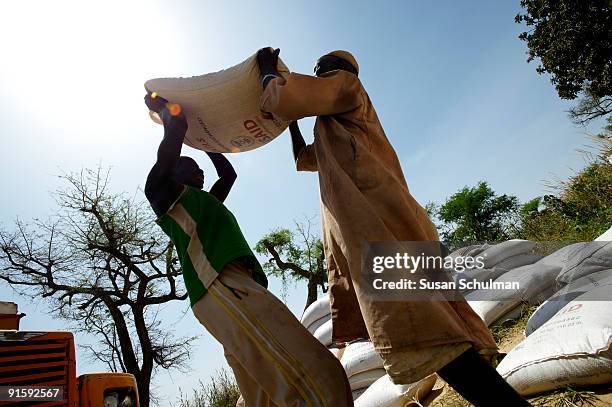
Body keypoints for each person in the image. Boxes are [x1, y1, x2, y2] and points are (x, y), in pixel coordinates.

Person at [256, 48, 531, 407]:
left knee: (424, 326)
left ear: (345, 70)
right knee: (431, 323)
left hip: (382, 225)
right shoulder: (328, 125)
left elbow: (288, 96)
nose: (319, 69)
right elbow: (304, 159)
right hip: (370, 230)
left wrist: (266, 72)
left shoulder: (347, 88)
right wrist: (289, 120)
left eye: (325, 66)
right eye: (317, 67)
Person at [143, 93, 353, 407]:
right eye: (190, 166)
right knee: (312, 372)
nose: (199, 171)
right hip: (221, 285)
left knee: (260, 392)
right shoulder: (163, 194)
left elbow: (228, 175)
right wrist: (165, 107)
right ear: (172, 172)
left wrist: (205, 144)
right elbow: (175, 130)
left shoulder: (206, 199)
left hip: (229, 290)